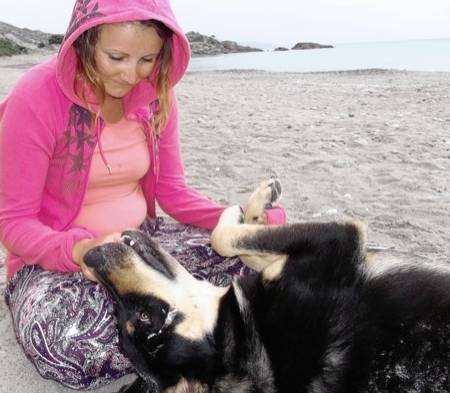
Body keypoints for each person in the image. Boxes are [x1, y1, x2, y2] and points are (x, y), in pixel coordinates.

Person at [0, 0, 286, 390]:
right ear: (84, 42)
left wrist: (237, 219)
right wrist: (81, 250)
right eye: (116, 56)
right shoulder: (36, 96)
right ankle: (193, 328)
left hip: (143, 243)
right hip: (53, 262)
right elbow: (13, 223)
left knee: (253, 271)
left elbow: (174, 192)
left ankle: (180, 327)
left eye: (147, 59)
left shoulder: (157, 97)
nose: (131, 74)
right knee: (68, 349)